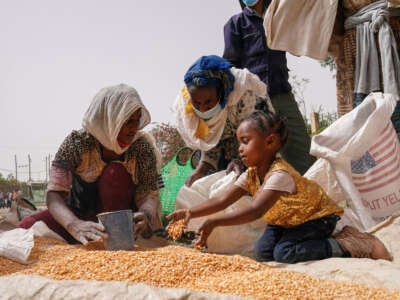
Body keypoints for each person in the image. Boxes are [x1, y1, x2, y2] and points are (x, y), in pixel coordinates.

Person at [167, 111, 392, 263]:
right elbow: (222, 200)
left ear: (270, 142)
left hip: (315, 218)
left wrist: (215, 221)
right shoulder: (252, 174)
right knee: (262, 254)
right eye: (239, 143)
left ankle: (347, 243)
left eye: (245, 141)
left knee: (284, 253)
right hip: (285, 222)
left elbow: (256, 210)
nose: (240, 149)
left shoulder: (280, 174)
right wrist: (191, 212)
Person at [19, 84, 162, 245]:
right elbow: (54, 195)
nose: (134, 128)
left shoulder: (140, 148)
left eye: (137, 121)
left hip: (120, 221)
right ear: (109, 118)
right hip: (79, 215)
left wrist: (146, 215)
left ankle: (115, 240)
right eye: (128, 121)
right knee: (26, 226)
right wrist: (74, 224)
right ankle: (83, 236)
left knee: (114, 173)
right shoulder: (78, 143)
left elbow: (149, 194)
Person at [223, 0, 315, 175]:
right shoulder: (235, 24)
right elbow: (230, 66)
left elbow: (296, 44)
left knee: (302, 150)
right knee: (261, 156)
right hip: (254, 102)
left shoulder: (276, 17)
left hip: (281, 93)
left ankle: (310, 193)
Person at [174, 54, 272, 187]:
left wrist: (238, 162)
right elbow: (211, 141)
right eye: (197, 103)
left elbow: (253, 139)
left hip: (257, 153)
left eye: (208, 102)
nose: (203, 109)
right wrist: (201, 169)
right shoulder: (187, 108)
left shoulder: (243, 96)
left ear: (221, 93)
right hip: (229, 159)